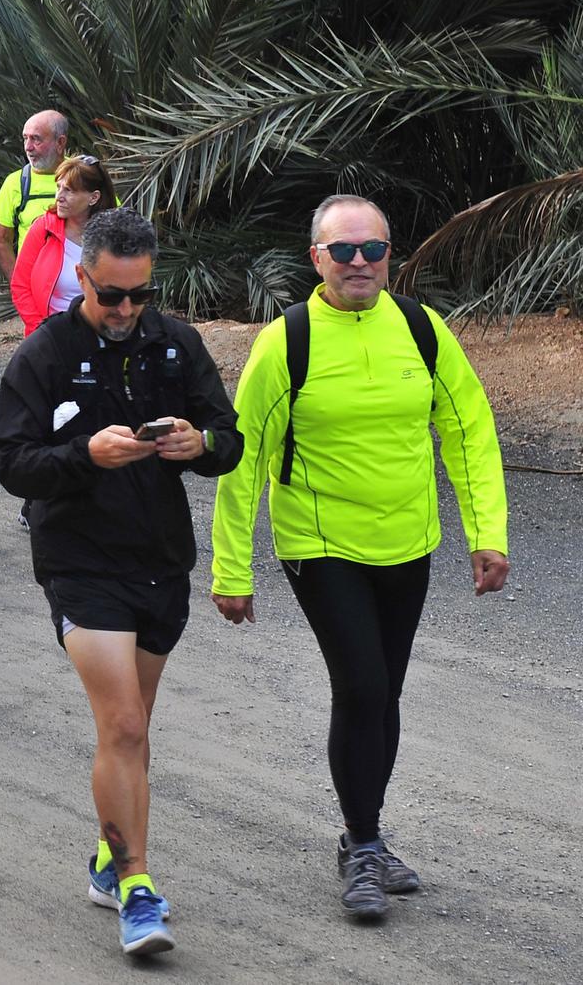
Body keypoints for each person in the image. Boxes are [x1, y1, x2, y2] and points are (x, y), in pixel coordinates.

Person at [209, 194, 509, 921]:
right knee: (364, 686)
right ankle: (366, 844)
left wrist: (486, 531)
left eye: (373, 249)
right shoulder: (288, 341)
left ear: (389, 254)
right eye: (343, 251)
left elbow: (467, 426)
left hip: (408, 540)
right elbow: (240, 457)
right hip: (321, 542)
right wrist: (231, 568)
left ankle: (363, 838)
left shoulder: (420, 327)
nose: (360, 263)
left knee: (387, 693)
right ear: (316, 258)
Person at [0, 208, 240, 959]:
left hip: (161, 561)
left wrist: (201, 444)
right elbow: (8, 461)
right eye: (110, 296)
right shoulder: (44, 352)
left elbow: (229, 438)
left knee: (131, 732)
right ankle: (136, 886)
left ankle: (107, 857)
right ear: (83, 278)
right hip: (79, 562)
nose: (126, 310)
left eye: (138, 295)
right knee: (124, 725)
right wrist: (83, 457)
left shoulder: (175, 342)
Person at [13, 155, 117, 335]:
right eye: (58, 187)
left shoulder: (114, 235)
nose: (59, 196)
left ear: (94, 198)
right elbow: (20, 285)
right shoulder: (43, 228)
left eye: (69, 190)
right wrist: (41, 330)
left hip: (102, 335)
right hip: (52, 335)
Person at [0, 108, 70, 279]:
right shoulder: (15, 183)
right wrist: (19, 286)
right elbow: (2, 241)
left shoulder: (85, 176)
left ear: (60, 143)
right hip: (35, 291)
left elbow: (113, 226)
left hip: (80, 292)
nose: (28, 147)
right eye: (25, 138)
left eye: (36, 139)